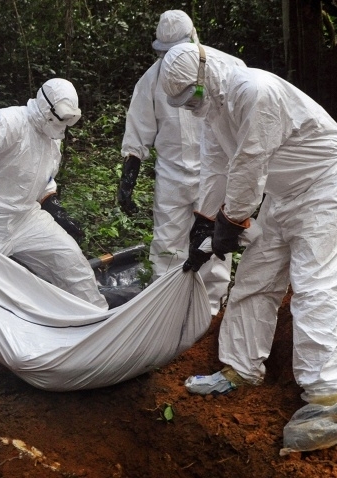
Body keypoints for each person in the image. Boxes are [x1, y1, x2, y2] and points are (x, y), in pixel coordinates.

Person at [161, 42, 337, 451]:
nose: (192, 107)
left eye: (193, 97)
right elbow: (217, 167)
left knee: (315, 288)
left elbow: (250, 161)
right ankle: (240, 368)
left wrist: (231, 220)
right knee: (255, 279)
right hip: (282, 195)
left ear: (207, 74)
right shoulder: (215, 112)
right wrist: (205, 221)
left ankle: (329, 401)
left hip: (327, 188)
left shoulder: (255, 90)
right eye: (184, 103)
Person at [0, 78, 109, 309]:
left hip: (26, 218)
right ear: (46, 107)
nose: (63, 125)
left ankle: (97, 315)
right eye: (61, 118)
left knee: (71, 261)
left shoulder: (53, 138)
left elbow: (44, 181)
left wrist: (57, 211)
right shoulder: (6, 121)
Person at [117, 10, 241, 315]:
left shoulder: (227, 67)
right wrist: (128, 176)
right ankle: (166, 311)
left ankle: (209, 311)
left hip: (215, 175)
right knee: (167, 244)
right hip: (172, 174)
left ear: (193, 38)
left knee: (213, 245)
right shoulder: (152, 79)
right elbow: (139, 127)